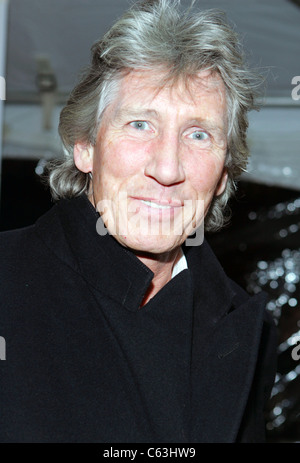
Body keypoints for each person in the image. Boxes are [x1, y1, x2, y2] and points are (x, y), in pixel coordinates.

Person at [0, 0, 277, 443]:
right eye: (140, 125)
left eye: (198, 134)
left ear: (224, 174)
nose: (167, 169)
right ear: (86, 147)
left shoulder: (245, 331)